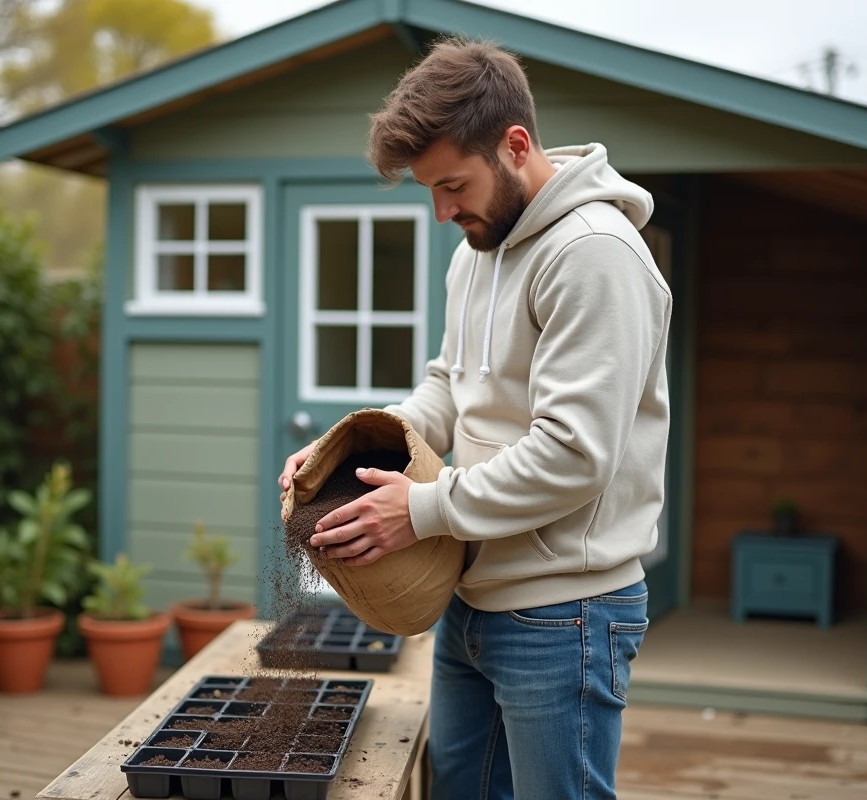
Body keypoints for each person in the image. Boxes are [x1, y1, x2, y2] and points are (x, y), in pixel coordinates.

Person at [277, 35, 672, 800]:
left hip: (567, 611)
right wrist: (352, 445)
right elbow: (447, 392)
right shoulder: (477, 252)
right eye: (430, 189)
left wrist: (421, 509)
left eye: (453, 184)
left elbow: (573, 455)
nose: (441, 210)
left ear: (515, 145)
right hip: (471, 593)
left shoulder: (594, 255)